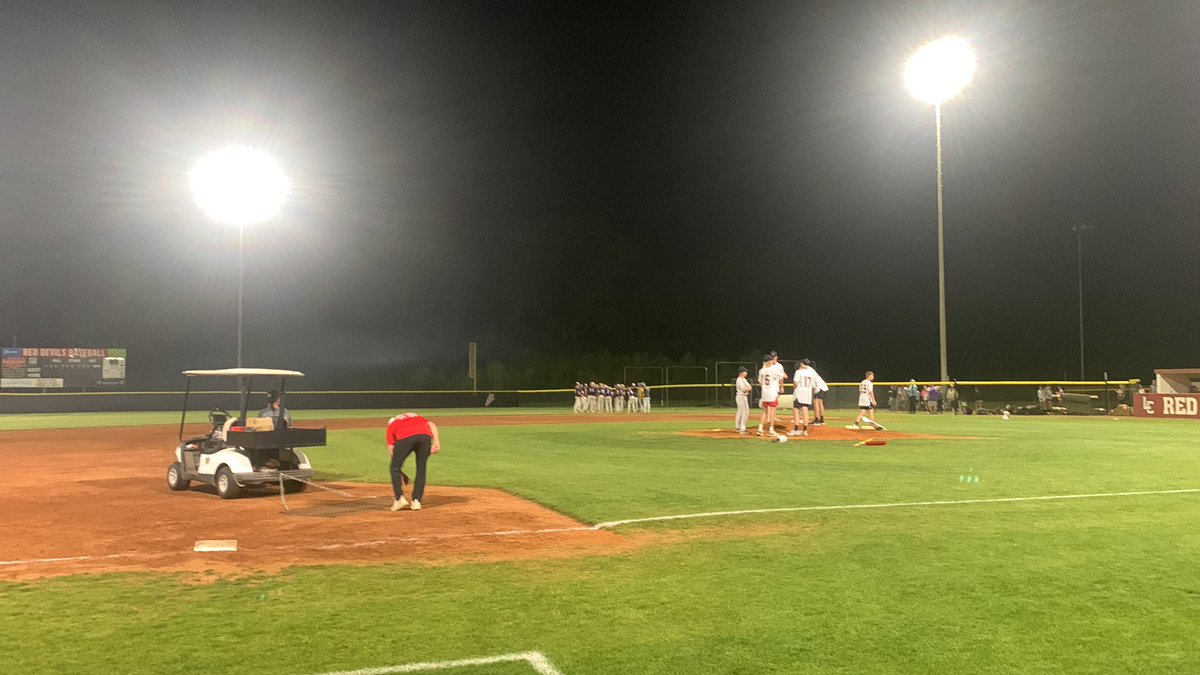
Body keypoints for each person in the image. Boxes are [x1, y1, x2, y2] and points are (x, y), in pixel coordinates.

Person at [385, 412, 441, 511]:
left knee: (394, 468)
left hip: (406, 438)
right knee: (421, 469)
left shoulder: (392, 426)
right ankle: (416, 501)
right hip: (425, 437)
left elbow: (391, 451)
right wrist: (436, 442)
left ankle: (399, 499)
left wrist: (399, 472)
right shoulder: (416, 417)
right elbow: (431, 424)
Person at [756, 353, 787, 437]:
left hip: (764, 394)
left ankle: (760, 428)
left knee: (765, 412)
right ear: (769, 361)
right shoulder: (773, 370)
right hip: (772, 393)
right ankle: (771, 430)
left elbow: (760, 382)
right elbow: (785, 376)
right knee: (772, 412)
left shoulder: (761, 371)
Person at [790, 359, 819, 436]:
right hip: (807, 394)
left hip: (799, 393)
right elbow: (813, 385)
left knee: (796, 410)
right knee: (805, 411)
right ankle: (805, 430)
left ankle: (796, 429)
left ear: (802, 364)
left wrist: (795, 389)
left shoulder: (798, 372)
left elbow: (795, 383)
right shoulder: (810, 373)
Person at [810, 360, 829, 426]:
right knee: (820, 403)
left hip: (818, 388)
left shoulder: (808, 371)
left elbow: (813, 384)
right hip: (823, 387)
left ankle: (817, 419)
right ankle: (822, 419)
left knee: (816, 403)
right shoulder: (812, 371)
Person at [734, 367, 752, 434]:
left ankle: (738, 427)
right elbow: (744, 389)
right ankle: (742, 428)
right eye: (745, 371)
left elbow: (750, 387)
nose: (746, 373)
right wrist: (747, 388)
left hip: (742, 396)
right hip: (741, 396)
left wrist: (747, 388)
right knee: (745, 412)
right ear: (741, 373)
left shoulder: (743, 379)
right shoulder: (739, 380)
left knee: (740, 412)